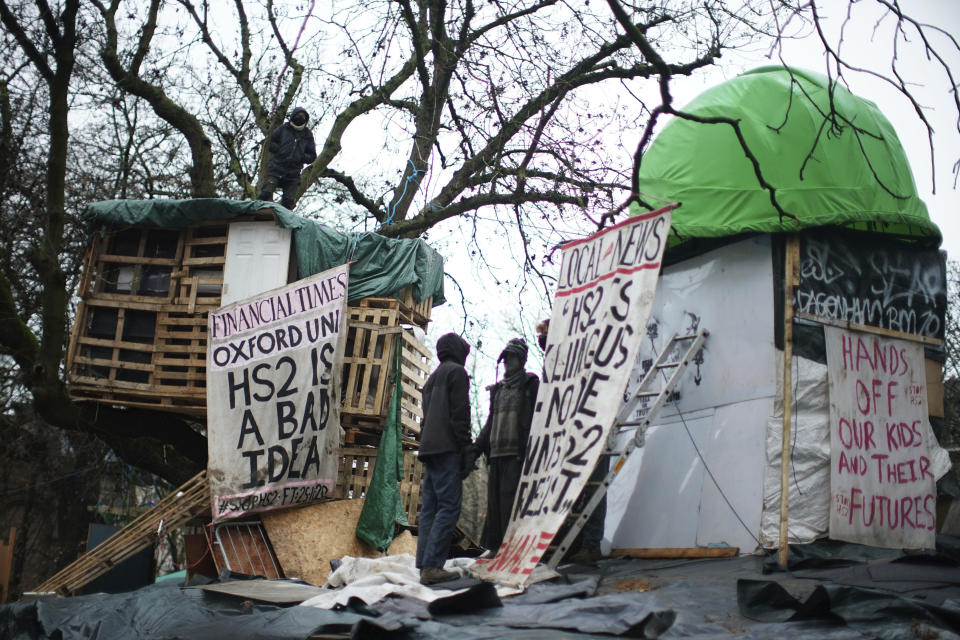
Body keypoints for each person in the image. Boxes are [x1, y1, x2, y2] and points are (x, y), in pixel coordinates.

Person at [416, 332, 474, 585]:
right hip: (448, 448)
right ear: (460, 351)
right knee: (448, 507)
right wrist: (466, 447)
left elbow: (426, 418)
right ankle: (432, 566)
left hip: (429, 449)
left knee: (429, 508)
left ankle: (424, 564)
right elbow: (460, 414)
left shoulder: (431, 379)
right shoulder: (456, 373)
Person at [475, 338, 539, 552]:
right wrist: (476, 448)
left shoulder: (530, 384)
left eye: (512, 358)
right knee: (494, 505)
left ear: (522, 360)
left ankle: (512, 548)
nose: (507, 362)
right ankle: (496, 548)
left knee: (510, 503)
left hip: (516, 454)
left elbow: (535, 419)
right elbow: (490, 421)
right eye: (505, 358)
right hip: (496, 454)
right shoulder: (498, 390)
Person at [257, 106, 317, 210]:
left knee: (288, 202)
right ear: (293, 116)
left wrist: (301, 156)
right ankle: (256, 212)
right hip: (276, 167)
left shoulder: (307, 135)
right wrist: (280, 149)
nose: (300, 118)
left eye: (303, 116)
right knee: (266, 193)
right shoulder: (283, 128)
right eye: (298, 115)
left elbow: (312, 155)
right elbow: (271, 142)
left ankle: (282, 223)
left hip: (293, 172)